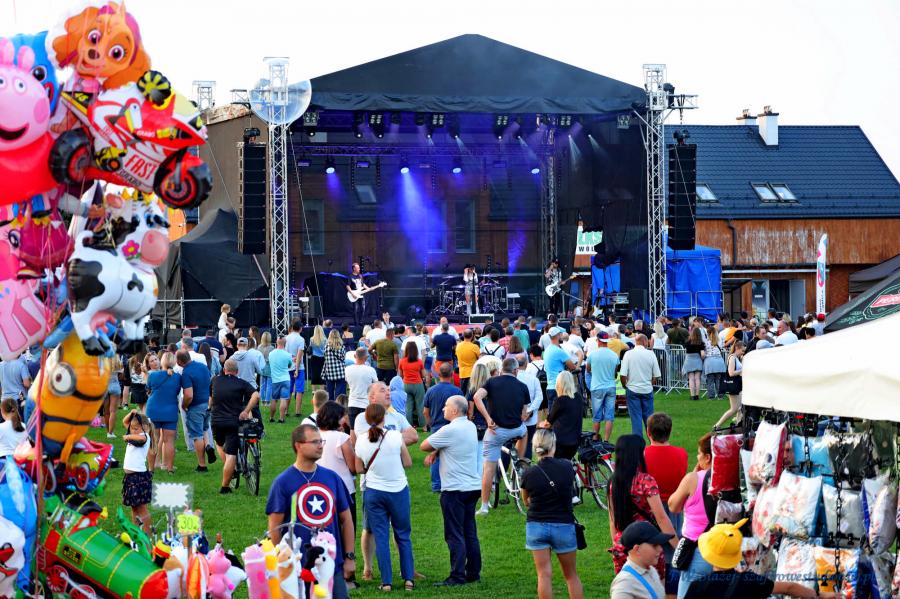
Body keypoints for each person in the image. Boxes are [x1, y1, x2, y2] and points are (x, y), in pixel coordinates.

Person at [267, 424, 355, 599]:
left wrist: (349, 557)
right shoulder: (282, 482)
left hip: (332, 564)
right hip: (298, 568)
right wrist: (283, 563)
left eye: (321, 441)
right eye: (315, 442)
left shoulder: (332, 478)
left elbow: (346, 520)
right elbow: (274, 528)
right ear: (298, 446)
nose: (320, 446)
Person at [684, 519, 837, 599]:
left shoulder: (697, 587)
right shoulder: (750, 581)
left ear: (709, 556)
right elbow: (789, 587)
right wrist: (819, 595)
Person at [420, 395, 482, 586]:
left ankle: (457, 575)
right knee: (469, 531)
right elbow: (454, 445)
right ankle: (473, 572)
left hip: (454, 488)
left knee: (454, 533)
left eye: (446, 406)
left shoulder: (449, 429)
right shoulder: (470, 426)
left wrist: (434, 450)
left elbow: (423, 445)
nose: (443, 409)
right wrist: (438, 451)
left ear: (455, 410)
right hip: (472, 486)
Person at [354, 403, 415, 592]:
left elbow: (358, 468)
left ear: (366, 419)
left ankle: (386, 581)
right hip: (398, 490)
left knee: (381, 537)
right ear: (384, 418)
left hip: (374, 491)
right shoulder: (395, 436)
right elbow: (408, 462)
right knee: (403, 535)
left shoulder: (361, 440)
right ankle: (408, 579)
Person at [520, 429, 584, 599]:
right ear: (553, 446)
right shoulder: (567, 467)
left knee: (543, 575)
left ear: (535, 448)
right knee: (571, 576)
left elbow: (526, 501)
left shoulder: (529, 473)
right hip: (563, 525)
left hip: (536, 526)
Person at [608, 435, 678, 582]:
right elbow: (661, 518)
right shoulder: (645, 481)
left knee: (627, 587)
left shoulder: (613, 482)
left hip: (623, 545)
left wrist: (616, 546)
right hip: (647, 543)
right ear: (637, 454)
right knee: (655, 587)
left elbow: (613, 520)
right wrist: (678, 548)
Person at [473, 358, 530, 516]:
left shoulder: (491, 382)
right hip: (516, 429)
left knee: (488, 468)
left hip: (496, 430)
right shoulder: (523, 386)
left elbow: (477, 397)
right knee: (524, 432)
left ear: (501, 369)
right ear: (516, 370)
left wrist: (487, 418)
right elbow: (524, 414)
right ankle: (519, 462)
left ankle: (484, 506)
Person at [668, 433, 712, 599]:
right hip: (726, 552)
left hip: (698, 552)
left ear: (707, 457)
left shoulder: (693, 479)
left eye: (699, 454)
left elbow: (673, 505)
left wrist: (694, 474)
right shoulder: (732, 479)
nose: (697, 457)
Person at [210, 359, 259, 494]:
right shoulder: (241, 383)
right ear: (237, 371)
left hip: (217, 421)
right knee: (231, 453)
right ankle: (224, 487)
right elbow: (256, 395)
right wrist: (246, 411)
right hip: (233, 422)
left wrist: (209, 407)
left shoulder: (215, 380)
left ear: (224, 370)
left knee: (219, 444)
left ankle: (232, 470)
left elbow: (211, 398)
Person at [317, 401, 358, 535]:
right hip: (344, 489)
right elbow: (353, 467)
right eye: (342, 417)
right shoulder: (342, 438)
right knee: (347, 528)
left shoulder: (315, 436)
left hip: (320, 488)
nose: (344, 420)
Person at [423, 362, 463, 491]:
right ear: (452, 375)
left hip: (436, 426)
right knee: (454, 455)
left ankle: (436, 485)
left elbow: (425, 412)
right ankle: (453, 482)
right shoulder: (456, 391)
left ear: (439, 374)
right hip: (453, 427)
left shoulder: (431, 391)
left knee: (435, 456)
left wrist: (430, 424)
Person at [609, 521, 672, 599]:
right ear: (637, 549)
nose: (660, 549)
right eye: (655, 545)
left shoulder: (651, 570)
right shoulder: (624, 584)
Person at [176, 350, 215, 472]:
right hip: (207, 403)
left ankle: (202, 465)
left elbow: (188, 395)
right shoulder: (203, 366)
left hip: (196, 406)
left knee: (197, 435)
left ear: (179, 361)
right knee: (204, 429)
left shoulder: (186, 373)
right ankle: (208, 446)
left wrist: (184, 405)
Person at [620, 335, 661, 439]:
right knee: (649, 419)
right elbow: (656, 375)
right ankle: (653, 441)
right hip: (647, 389)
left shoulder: (628, 354)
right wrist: (650, 384)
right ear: (645, 342)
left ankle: (638, 443)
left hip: (632, 389)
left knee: (636, 419)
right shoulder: (651, 354)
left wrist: (625, 385)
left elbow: (623, 374)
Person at [145, 352, 179, 473]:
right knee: (169, 441)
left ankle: (151, 469)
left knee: (153, 441)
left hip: (153, 410)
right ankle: (170, 469)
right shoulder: (178, 377)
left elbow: (148, 389)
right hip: (170, 411)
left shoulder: (152, 375)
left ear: (162, 361)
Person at [121, 410, 152, 533]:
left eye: (136, 429)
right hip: (130, 478)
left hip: (138, 477)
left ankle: (147, 533)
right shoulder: (134, 434)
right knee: (134, 508)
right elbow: (124, 422)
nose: (133, 431)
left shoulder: (145, 437)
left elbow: (141, 438)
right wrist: (131, 413)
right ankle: (136, 532)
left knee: (142, 508)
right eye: (132, 428)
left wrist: (128, 436)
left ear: (146, 427)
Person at [540, 371, 581, 460]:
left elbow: (548, 423)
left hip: (560, 443)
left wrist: (539, 424)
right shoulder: (578, 397)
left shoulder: (560, 401)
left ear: (559, 384)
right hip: (575, 441)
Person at [586, 332, 619, 443]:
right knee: (609, 416)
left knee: (597, 416)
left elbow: (588, 369)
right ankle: (606, 441)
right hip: (610, 386)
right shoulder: (614, 355)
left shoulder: (592, 355)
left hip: (597, 387)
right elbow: (615, 372)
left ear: (598, 341)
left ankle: (595, 439)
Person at [516, 354, 544, 460]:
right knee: (527, 443)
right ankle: (525, 464)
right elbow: (539, 397)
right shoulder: (533, 379)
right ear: (527, 364)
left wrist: (527, 411)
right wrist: (529, 411)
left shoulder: (514, 379)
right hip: (529, 417)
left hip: (516, 416)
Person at [714, 341, 745, 428]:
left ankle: (739, 424)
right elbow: (731, 373)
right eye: (742, 350)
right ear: (737, 348)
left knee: (741, 407)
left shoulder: (736, 358)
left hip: (737, 385)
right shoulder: (732, 358)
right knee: (734, 409)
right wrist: (743, 370)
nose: (743, 353)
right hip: (733, 386)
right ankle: (717, 425)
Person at [399, 342, 427, 429]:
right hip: (417, 384)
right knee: (420, 405)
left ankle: (409, 426)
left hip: (406, 384)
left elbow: (400, 375)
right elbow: (423, 375)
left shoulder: (402, 361)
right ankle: (424, 426)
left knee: (408, 406)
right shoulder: (419, 361)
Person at [345, 347, 378, 424]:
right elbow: (376, 385)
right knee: (366, 429)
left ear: (355, 356)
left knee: (352, 429)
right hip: (365, 404)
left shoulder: (347, 369)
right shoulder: (371, 370)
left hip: (352, 403)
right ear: (366, 357)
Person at [267, 337, 295, 423]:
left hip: (275, 380)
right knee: (283, 399)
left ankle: (271, 417)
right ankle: (281, 418)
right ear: (285, 343)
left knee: (274, 399)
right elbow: (289, 366)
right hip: (285, 379)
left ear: (276, 342)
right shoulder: (288, 355)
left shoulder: (271, 354)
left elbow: (270, 364)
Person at [323, 329, 349, 399]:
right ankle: (339, 404)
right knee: (340, 394)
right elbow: (343, 358)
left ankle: (330, 404)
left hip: (329, 372)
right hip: (340, 372)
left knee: (329, 393)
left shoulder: (326, 347)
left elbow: (325, 357)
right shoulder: (342, 346)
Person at [703, 326, 726, 400]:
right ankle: (720, 396)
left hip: (709, 362)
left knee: (710, 380)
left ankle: (711, 396)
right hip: (719, 361)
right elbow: (722, 348)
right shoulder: (720, 340)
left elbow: (704, 351)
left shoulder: (705, 342)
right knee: (718, 380)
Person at [683, 327, 706, 402]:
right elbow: (702, 354)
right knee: (697, 378)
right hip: (697, 360)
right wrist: (703, 358)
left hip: (689, 360)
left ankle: (692, 395)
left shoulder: (687, 342)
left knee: (691, 379)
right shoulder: (701, 343)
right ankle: (697, 395)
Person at [456, 329, 481, 395]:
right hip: (473, 373)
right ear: (472, 336)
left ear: (463, 335)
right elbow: (480, 358)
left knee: (463, 393)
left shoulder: (458, 346)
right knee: (472, 394)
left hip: (462, 373)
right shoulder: (475, 347)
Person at [104, 353, 123, 438]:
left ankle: (108, 432)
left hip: (104, 385)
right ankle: (110, 433)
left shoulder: (102, 361)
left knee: (106, 411)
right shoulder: (117, 361)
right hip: (115, 384)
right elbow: (121, 376)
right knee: (113, 411)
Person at [346, 262, 370, 326]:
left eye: (359, 268)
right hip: (354, 294)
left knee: (363, 308)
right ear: (354, 268)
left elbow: (363, 284)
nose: (359, 269)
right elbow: (347, 286)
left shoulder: (360, 276)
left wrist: (369, 288)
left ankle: (360, 321)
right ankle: (356, 323)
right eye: (358, 268)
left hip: (361, 294)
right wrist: (352, 294)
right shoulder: (350, 276)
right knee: (355, 309)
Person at [257, 331, 274, 411]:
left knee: (262, 385)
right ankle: (267, 401)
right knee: (269, 385)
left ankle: (262, 401)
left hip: (262, 367)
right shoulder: (272, 348)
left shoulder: (259, 347)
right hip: (269, 367)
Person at [308, 325, 327, 393]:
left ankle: (314, 391)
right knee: (322, 375)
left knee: (314, 375)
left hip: (314, 358)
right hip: (323, 358)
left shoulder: (311, 339)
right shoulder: (325, 340)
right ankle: (322, 392)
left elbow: (310, 348)